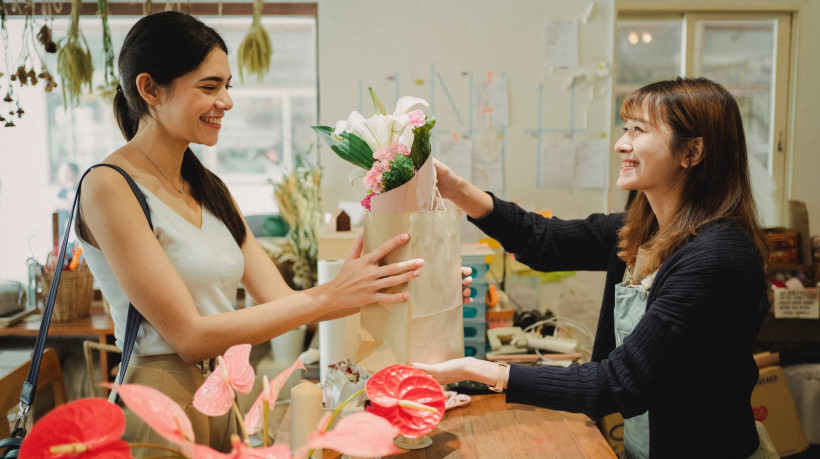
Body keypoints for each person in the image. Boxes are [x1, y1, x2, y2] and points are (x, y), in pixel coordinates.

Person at [74, 11, 471, 455]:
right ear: (149, 89)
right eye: (209, 87)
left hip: (223, 394)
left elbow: (283, 303)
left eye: (228, 86)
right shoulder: (109, 185)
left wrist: (410, 281)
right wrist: (331, 295)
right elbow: (189, 337)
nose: (225, 101)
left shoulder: (208, 188)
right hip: (160, 395)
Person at [414, 77, 771, 459]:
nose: (622, 143)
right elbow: (544, 241)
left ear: (692, 151)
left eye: (639, 130)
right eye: (625, 129)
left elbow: (618, 382)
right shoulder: (640, 230)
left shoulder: (716, 258)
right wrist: (455, 189)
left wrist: (483, 371)